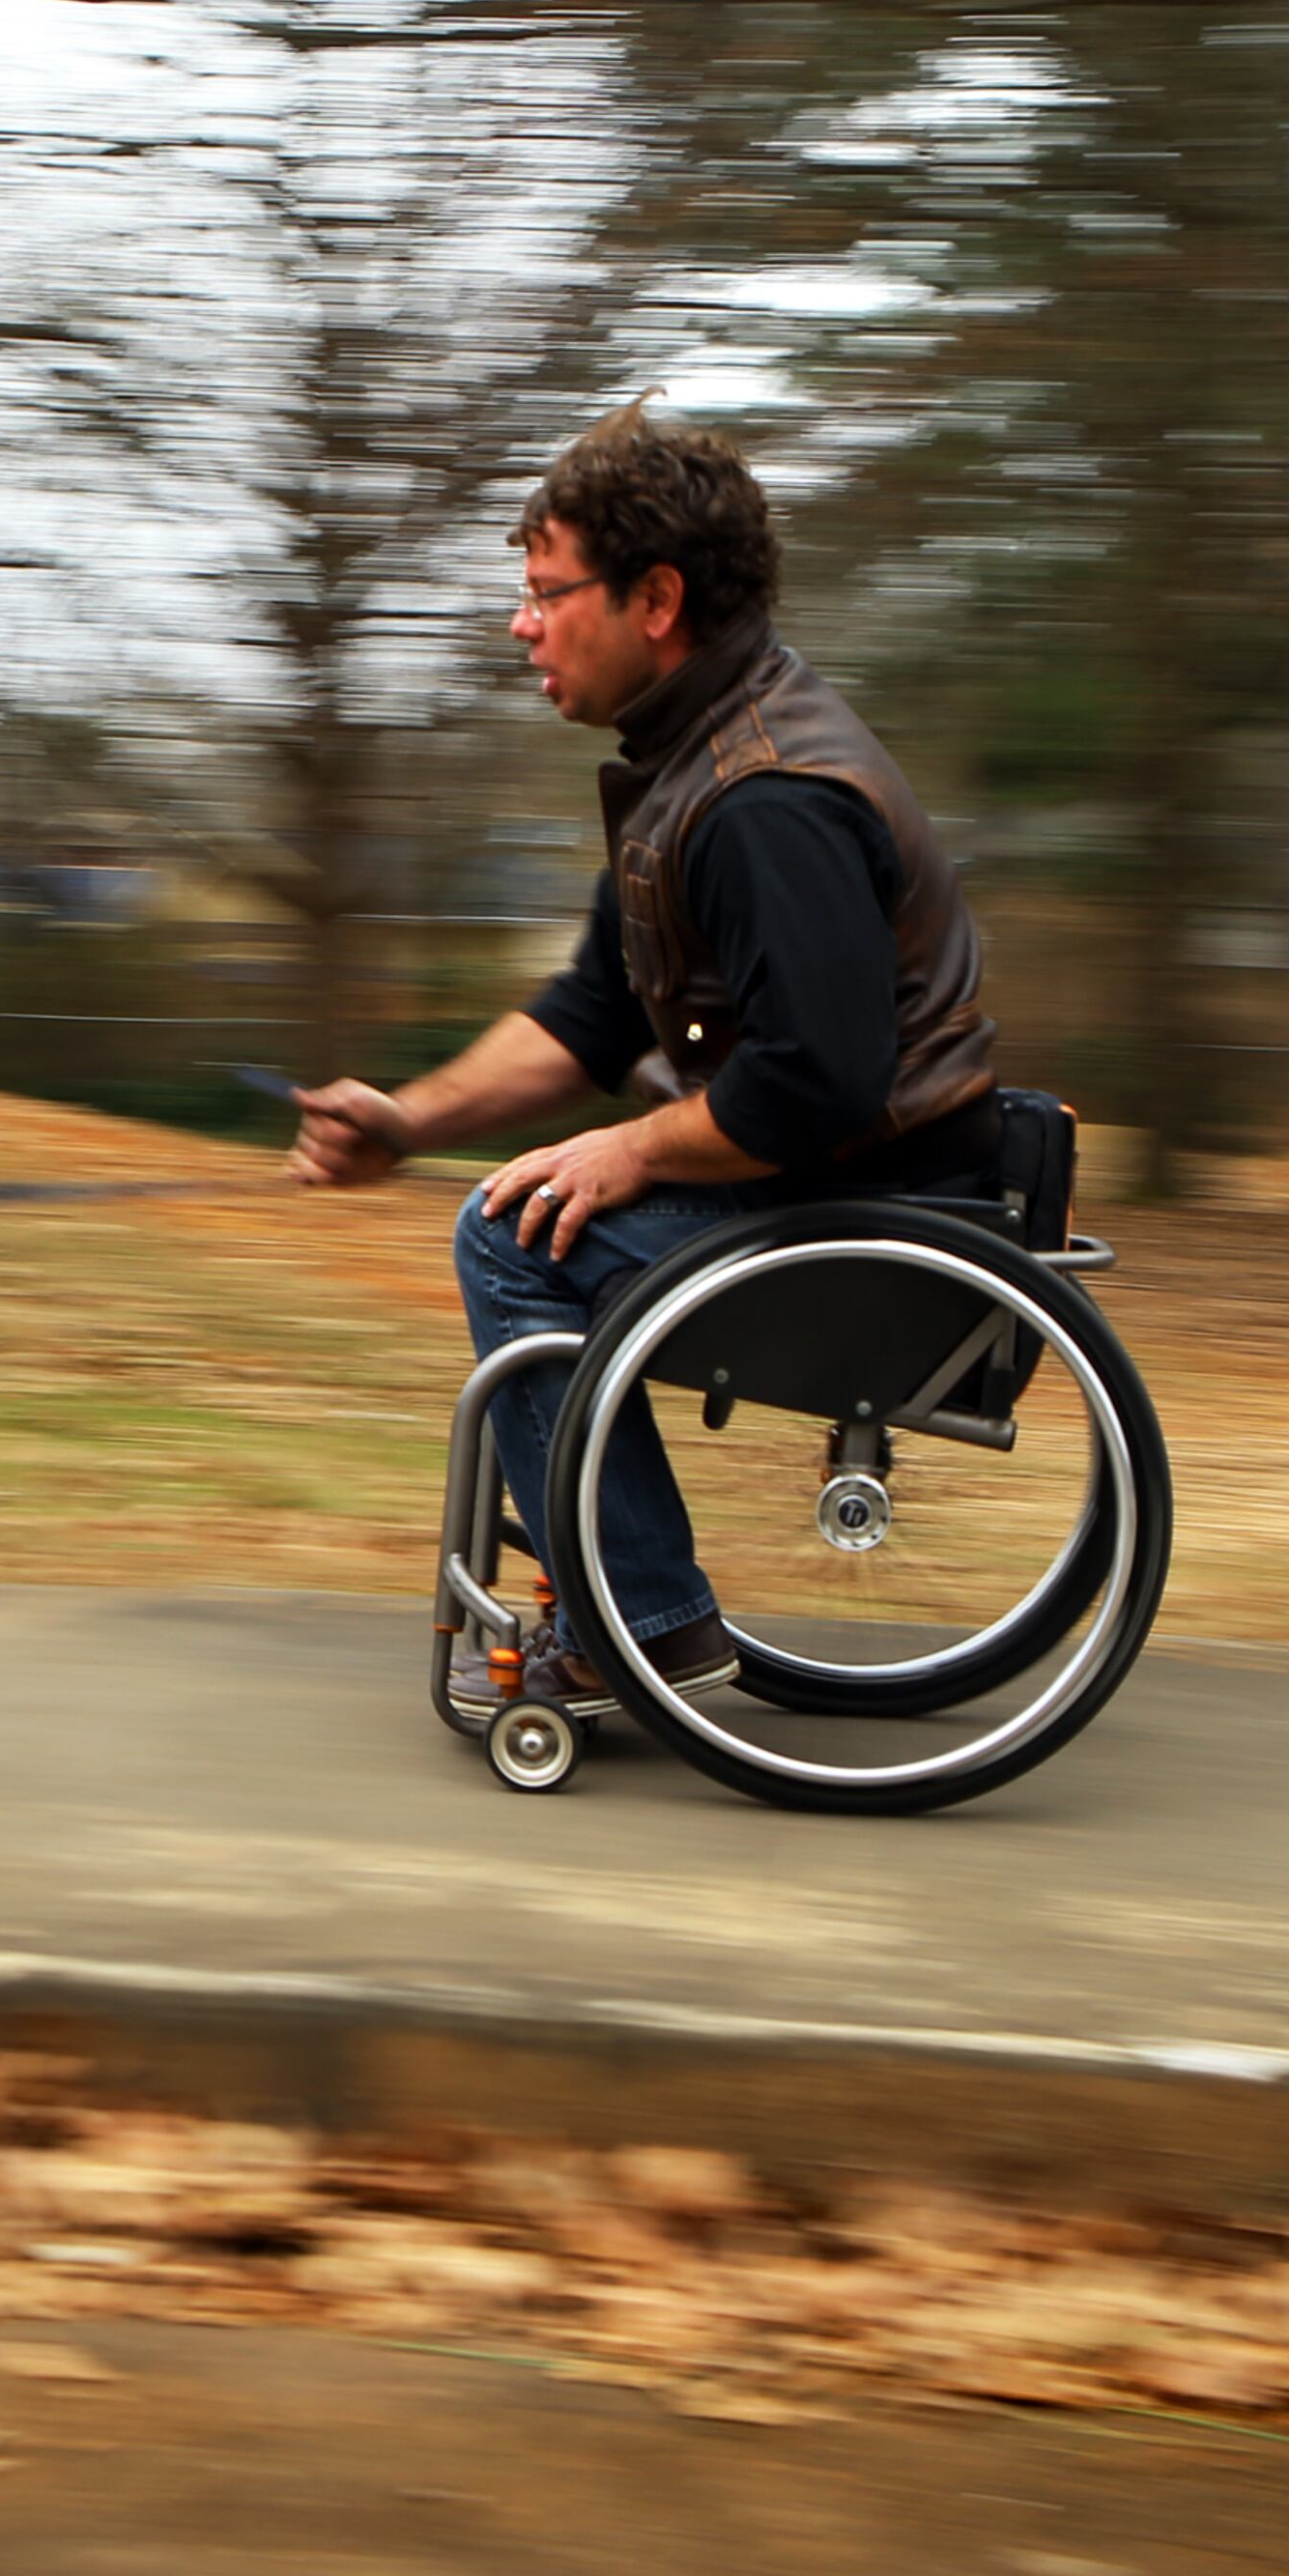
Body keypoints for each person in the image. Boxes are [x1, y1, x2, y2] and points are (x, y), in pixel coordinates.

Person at [288, 401, 1002, 1714]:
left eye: (545, 592)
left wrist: (626, 1147)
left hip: (877, 1215)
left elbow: (817, 1080)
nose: (522, 624)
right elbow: (588, 1017)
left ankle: (639, 1620)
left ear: (655, 598)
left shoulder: (762, 801)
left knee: (512, 1237)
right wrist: (407, 1116)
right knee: (516, 1201)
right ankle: (620, 1594)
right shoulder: (689, 771)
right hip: (836, 1185)